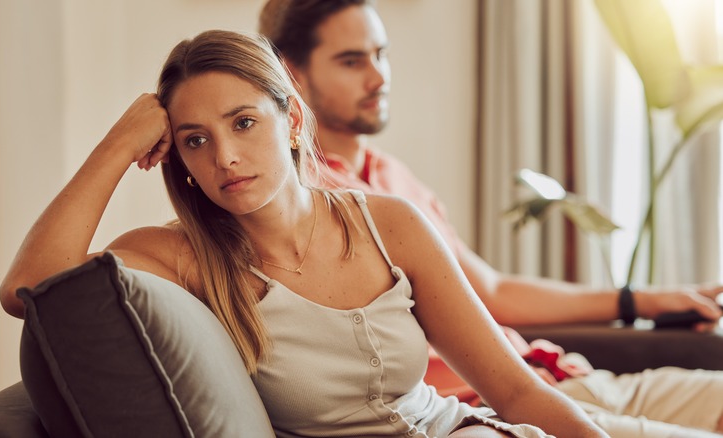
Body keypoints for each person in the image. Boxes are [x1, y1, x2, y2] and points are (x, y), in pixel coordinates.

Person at [0, 29, 607, 438]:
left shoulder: (388, 222)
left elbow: (518, 392)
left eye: (243, 123)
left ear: (290, 120)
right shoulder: (179, 257)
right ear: (176, 156)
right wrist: (116, 144)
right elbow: (28, 288)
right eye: (195, 139)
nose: (225, 157)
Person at [258, 0, 723, 437]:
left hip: (558, 377)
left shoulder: (390, 175)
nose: (379, 77)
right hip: (492, 406)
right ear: (289, 73)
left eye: (381, 55)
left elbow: (490, 289)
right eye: (352, 61)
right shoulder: (308, 207)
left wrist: (637, 301)